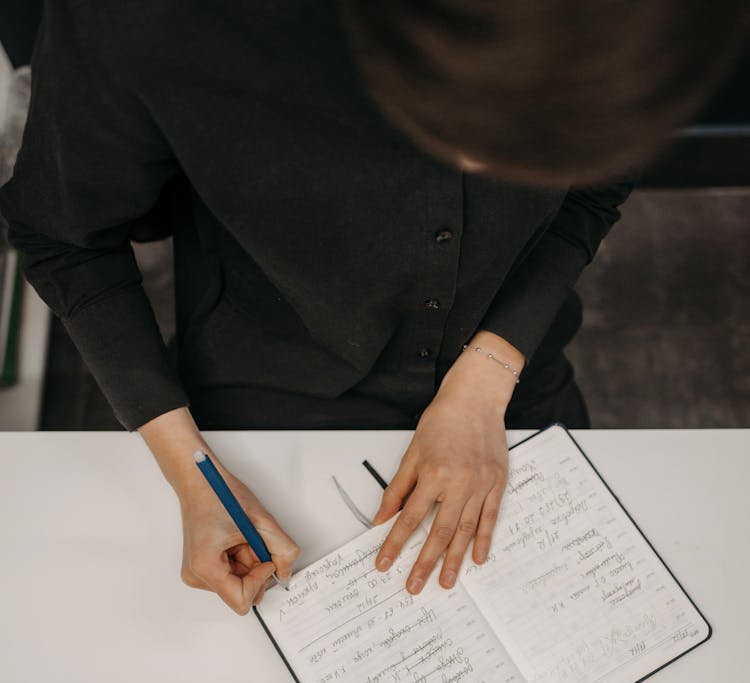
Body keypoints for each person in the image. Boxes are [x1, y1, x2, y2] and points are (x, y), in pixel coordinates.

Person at [0, 0, 743, 614]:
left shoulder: (639, 29)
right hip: (263, 383)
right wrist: (193, 474)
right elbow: (65, 237)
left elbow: (594, 188)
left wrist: (486, 376)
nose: (497, 173)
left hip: (513, 353)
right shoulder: (152, 19)